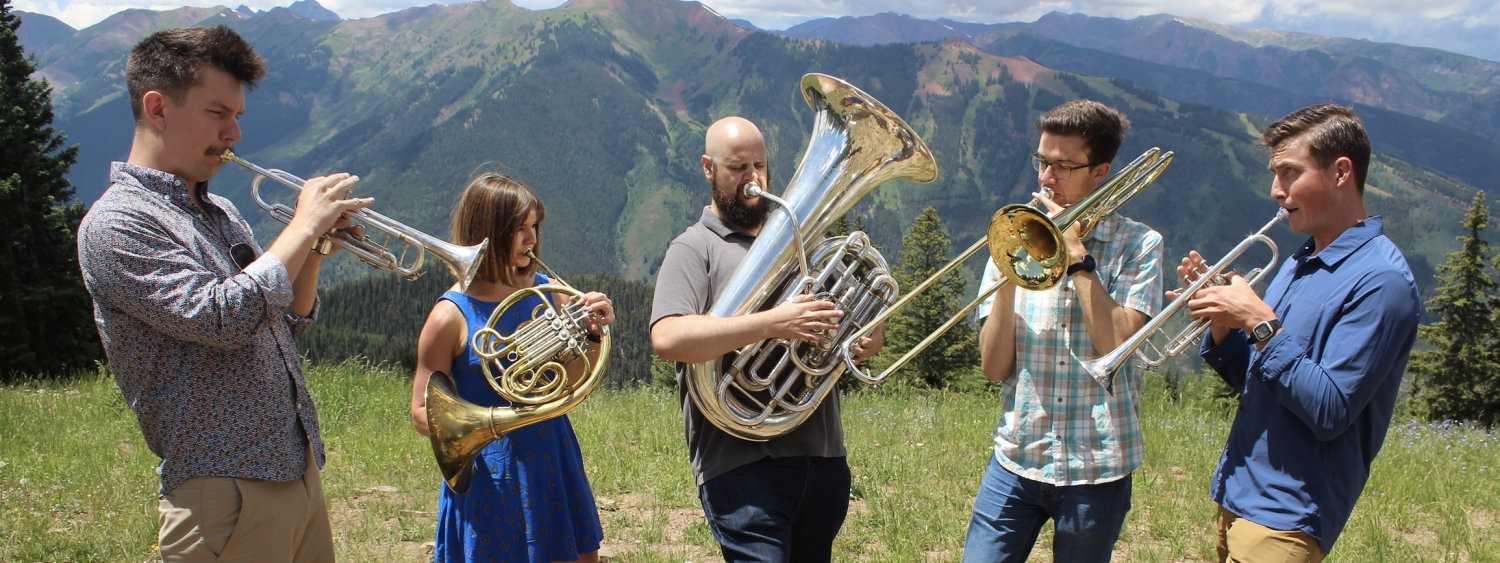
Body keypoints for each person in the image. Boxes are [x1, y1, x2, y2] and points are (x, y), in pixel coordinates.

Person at [77, 26, 372, 562]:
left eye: (237, 116)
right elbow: (221, 319)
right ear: (158, 108)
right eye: (218, 113)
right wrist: (302, 227)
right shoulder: (118, 223)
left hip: (293, 469)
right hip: (223, 490)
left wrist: (314, 256)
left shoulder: (221, 212)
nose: (234, 134)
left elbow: (282, 325)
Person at [1180, 104, 1421, 563]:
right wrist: (1225, 327)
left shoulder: (1382, 282)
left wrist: (1259, 321)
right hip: (1239, 493)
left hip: (1289, 514)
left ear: (1341, 172)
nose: (1276, 190)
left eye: (1290, 173)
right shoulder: (1298, 259)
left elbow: (1330, 409)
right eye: (1275, 174)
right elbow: (1261, 382)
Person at [649, 116, 883, 561]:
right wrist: (772, 323)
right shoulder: (693, 249)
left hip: (823, 455)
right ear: (708, 168)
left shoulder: (799, 237)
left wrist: (864, 332)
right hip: (741, 467)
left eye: (760, 165)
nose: (753, 178)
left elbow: (849, 311)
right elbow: (668, 337)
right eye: (738, 167)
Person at [964, 100, 1163, 563]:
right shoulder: (1017, 233)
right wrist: (1012, 272)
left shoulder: (1139, 245)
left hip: (1097, 467)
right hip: (1016, 458)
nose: (1046, 179)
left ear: (1101, 171)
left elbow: (1118, 345)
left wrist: (1079, 262)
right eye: (1042, 162)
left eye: (1063, 166)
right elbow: (994, 369)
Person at [409, 173, 612, 563]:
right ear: (487, 232)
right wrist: (480, 422)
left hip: (552, 455)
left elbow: (569, 379)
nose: (532, 239)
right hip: (489, 473)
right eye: (519, 229)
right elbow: (422, 413)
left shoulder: (548, 291)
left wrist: (592, 336)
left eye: (534, 226)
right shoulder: (448, 316)